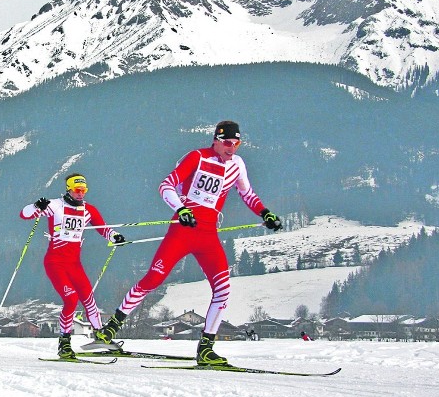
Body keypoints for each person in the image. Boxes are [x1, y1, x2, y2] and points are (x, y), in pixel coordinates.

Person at [93, 120, 283, 366]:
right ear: (216, 139)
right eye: (227, 142)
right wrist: (181, 209)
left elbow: (247, 194)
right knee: (153, 279)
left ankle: (206, 349)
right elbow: (166, 185)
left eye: (237, 143)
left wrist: (265, 213)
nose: (231, 148)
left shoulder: (237, 165)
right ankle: (111, 328)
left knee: (223, 289)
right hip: (183, 230)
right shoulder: (197, 157)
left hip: (208, 235)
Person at [19, 173, 125, 359]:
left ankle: (101, 335)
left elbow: (103, 228)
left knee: (88, 299)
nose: (81, 194)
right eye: (77, 190)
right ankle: (64, 343)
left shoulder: (88, 210)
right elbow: (24, 214)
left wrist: (114, 236)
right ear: (69, 189)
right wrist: (37, 206)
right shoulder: (55, 205)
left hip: (74, 264)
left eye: (84, 190)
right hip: (55, 263)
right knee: (71, 299)